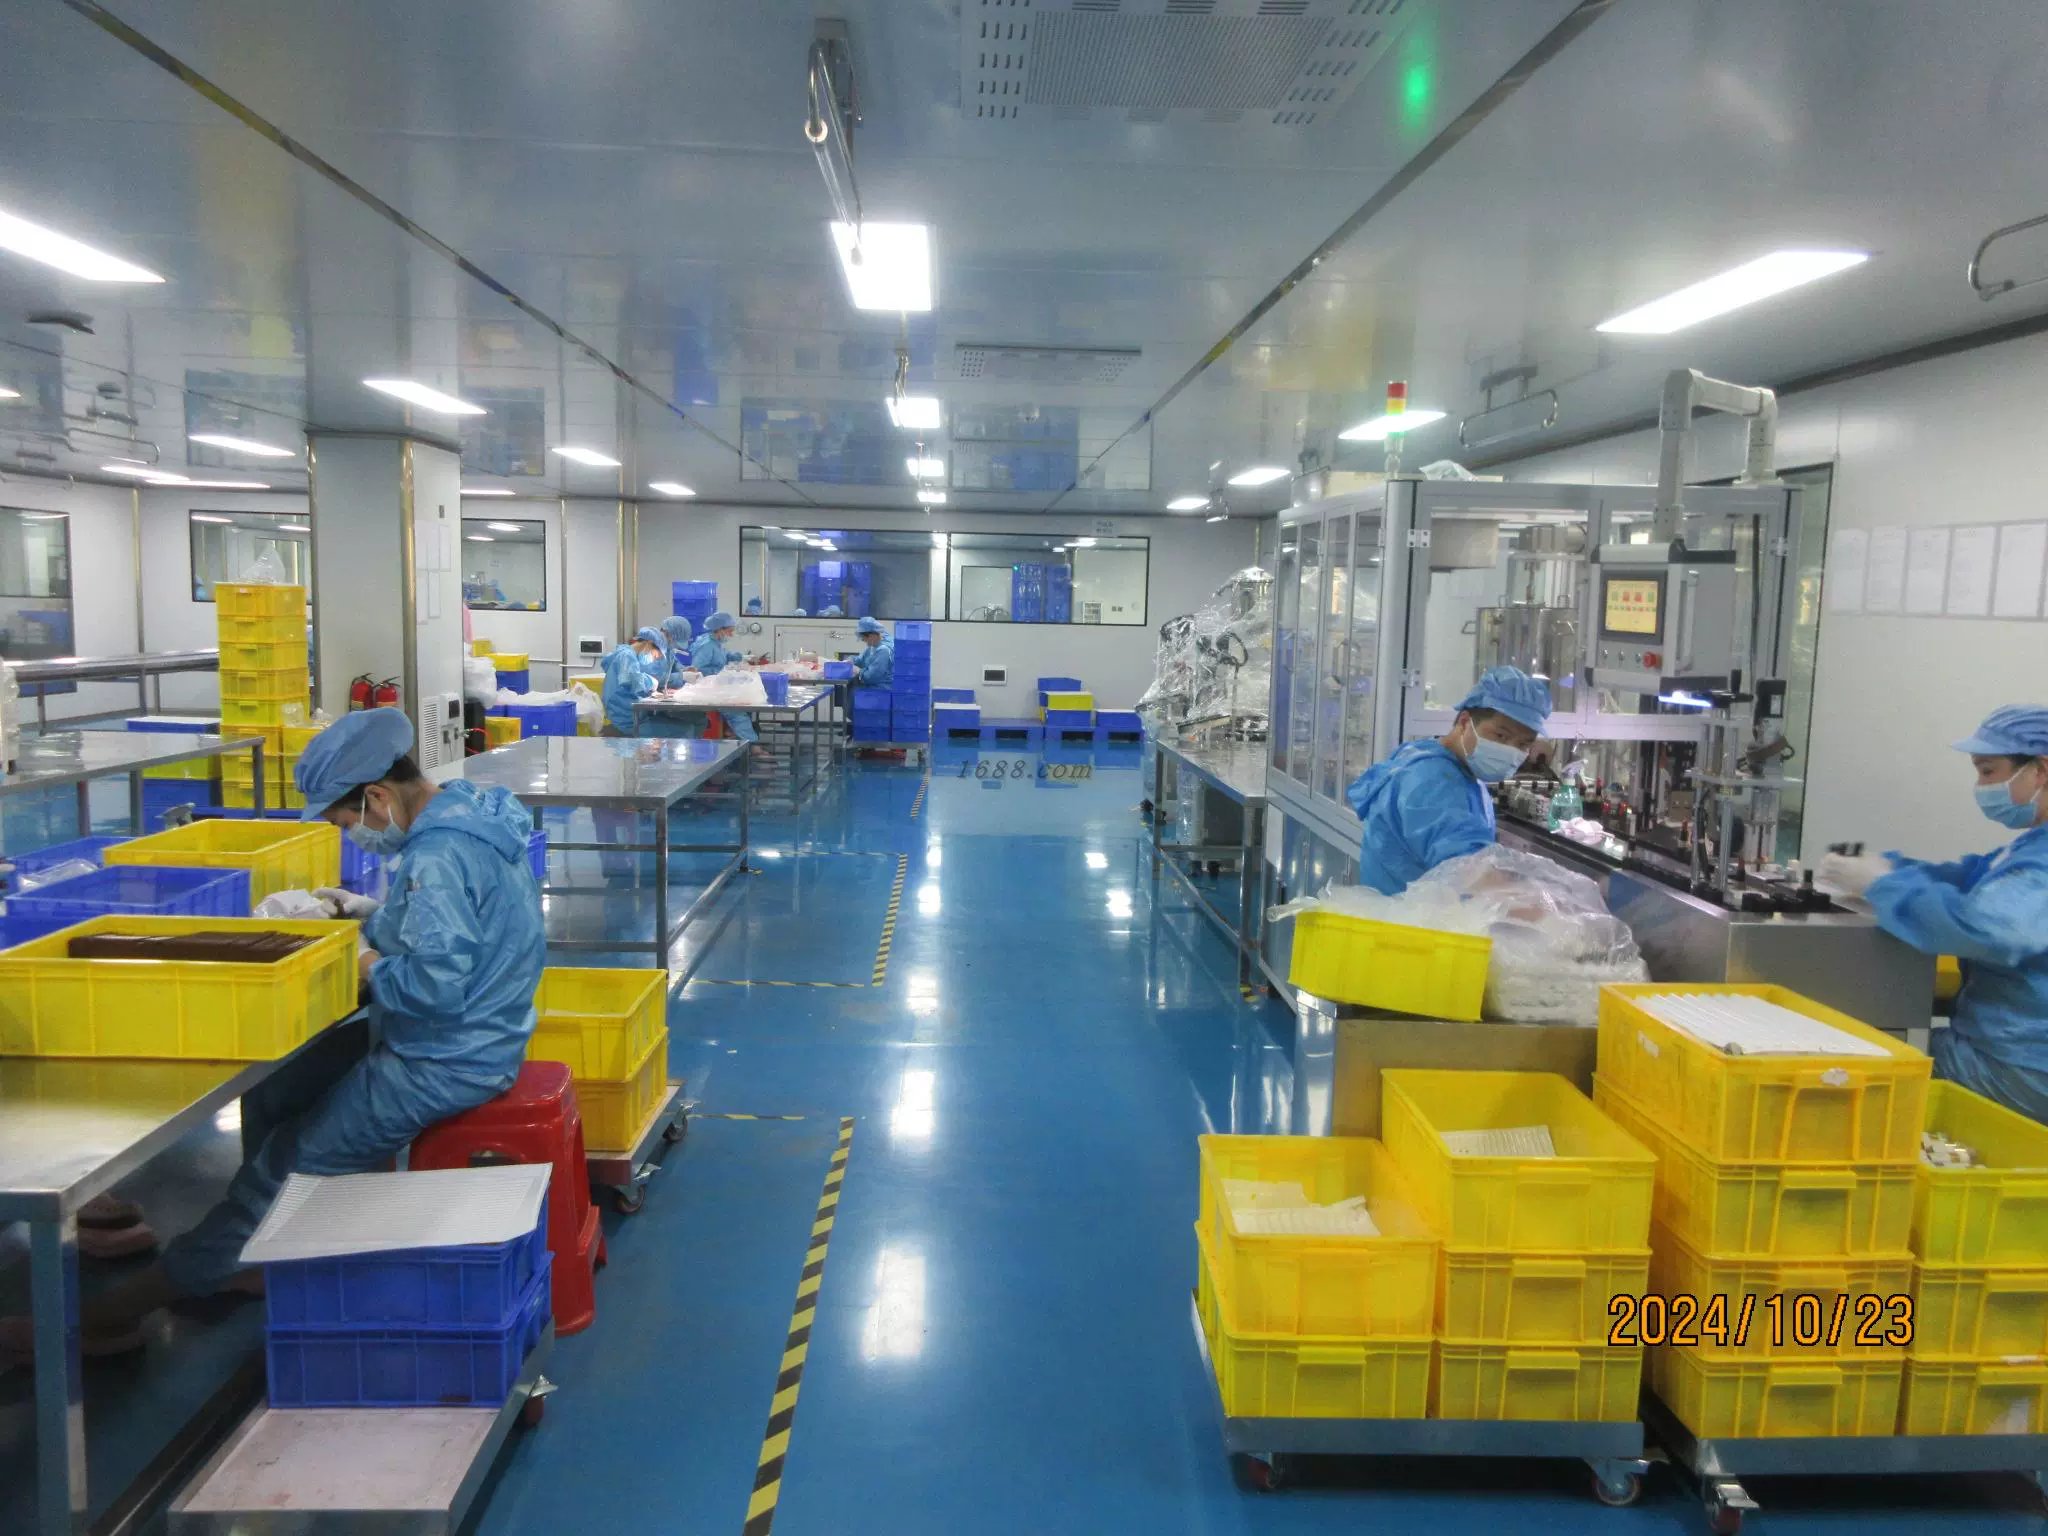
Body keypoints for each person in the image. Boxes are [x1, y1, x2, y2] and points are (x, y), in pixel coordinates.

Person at [1, 709, 545, 1364]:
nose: (352, 836)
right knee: (274, 1092)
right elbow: (461, 927)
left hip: (445, 1059)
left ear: (376, 797)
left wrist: (364, 962)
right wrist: (369, 914)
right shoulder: (471, 815)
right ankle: (257, 1258)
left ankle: (103, 1319)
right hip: (478, 1033)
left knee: (279, 1175)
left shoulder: (437, 856)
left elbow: (434, 987)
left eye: (345, 823)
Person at [1822, 705, 2048, 1123]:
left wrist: (1882, 885)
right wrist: (1889, 868)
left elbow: (1981, 929)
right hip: (2006, 1045)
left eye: (1989, 771)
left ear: (2041, 770)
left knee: (1844, 1072)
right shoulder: (2034, 845)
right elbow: (1971, 878)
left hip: (2024, 1067)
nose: (1981, 786)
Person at [1344, 665, 1551, 895]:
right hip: (1413, 915)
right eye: (1501, 735)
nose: (1511, 751)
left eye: (1523, 744)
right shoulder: (1435, 782)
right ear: (1464, 722)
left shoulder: (1436, 757)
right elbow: (1474, 877)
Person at [690, 611, 758, 744]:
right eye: (729, 631)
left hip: (717, 686)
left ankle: (734, 734)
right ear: (720, 629)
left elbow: (723, 656)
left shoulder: (715, 642)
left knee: (745, 704)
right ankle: (752, 745)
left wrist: (741, 657)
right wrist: (720, 672)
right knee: (736, 712)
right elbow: (696, 670)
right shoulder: (706, 645)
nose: (731, 635)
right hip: (709, 689)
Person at [850, 615, 894, 686]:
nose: (864, 641)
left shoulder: (883, 650)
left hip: (881, 688)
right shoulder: (875, 645)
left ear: (871, 636)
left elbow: (872, 677)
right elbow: (862, 659)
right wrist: (851, 660)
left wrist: (859, 671)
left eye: (864, 639)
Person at [656, 615, 697, 689]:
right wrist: (681, 676)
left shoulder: (668, 649)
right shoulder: (651, 649)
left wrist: (684, 670)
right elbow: (654, 679)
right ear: (666, 633)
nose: (676, 646)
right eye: (675, 641)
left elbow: (674, 664)